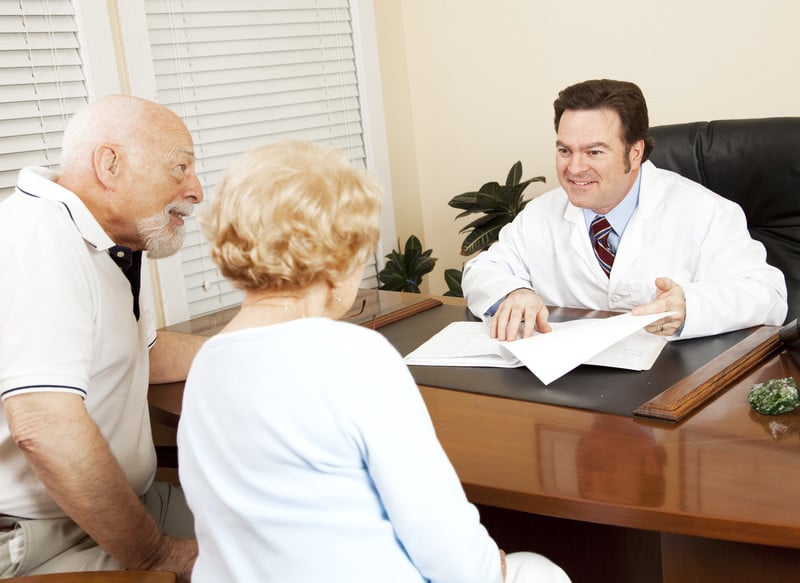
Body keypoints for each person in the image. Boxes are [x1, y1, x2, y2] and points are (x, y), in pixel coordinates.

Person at [177, 140, 571, 583]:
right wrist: (490, 568)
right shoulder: (354, 356)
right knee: (538, 571)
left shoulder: (207, 363)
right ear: (336, 258)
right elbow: (431, 522)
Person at [0, 95, 207, 580]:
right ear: (110, 164)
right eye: (179, 168)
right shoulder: (36, 241)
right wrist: (157, 555)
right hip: (39, 537)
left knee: (269, 533)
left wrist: (259, 350)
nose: (195, 190)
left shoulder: (111, 240)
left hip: (113, 506)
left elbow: (143, 354)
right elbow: (45, 429)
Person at [462, 79, 787, 341]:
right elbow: (483, 270)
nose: (575, 168)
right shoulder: (540, 213)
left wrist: (691, 306)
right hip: (572, 387)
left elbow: (768, 295)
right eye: (564, 150)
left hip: (673, 385)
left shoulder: (706, 211)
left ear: (635, 153)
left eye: (594, 151)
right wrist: (513, 292)